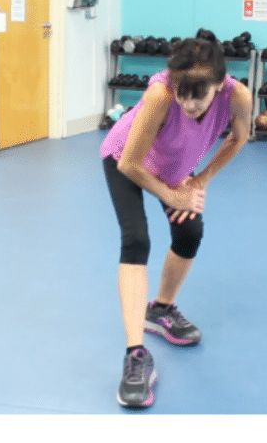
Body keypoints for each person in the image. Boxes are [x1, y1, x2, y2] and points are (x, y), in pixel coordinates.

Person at [100, 32, 252, 408]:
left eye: (196, 97)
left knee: (190, 232)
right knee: (137, 240)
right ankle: (136, 355)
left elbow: (238, 137)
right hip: (125, 160)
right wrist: (172, 194)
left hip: (171, 167)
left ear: (219, 85)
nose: (187, 103)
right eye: (180, 93)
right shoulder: (160, 96)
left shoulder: (238, 96)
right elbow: (130, 163)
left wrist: (199, 181)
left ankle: (161, 308)